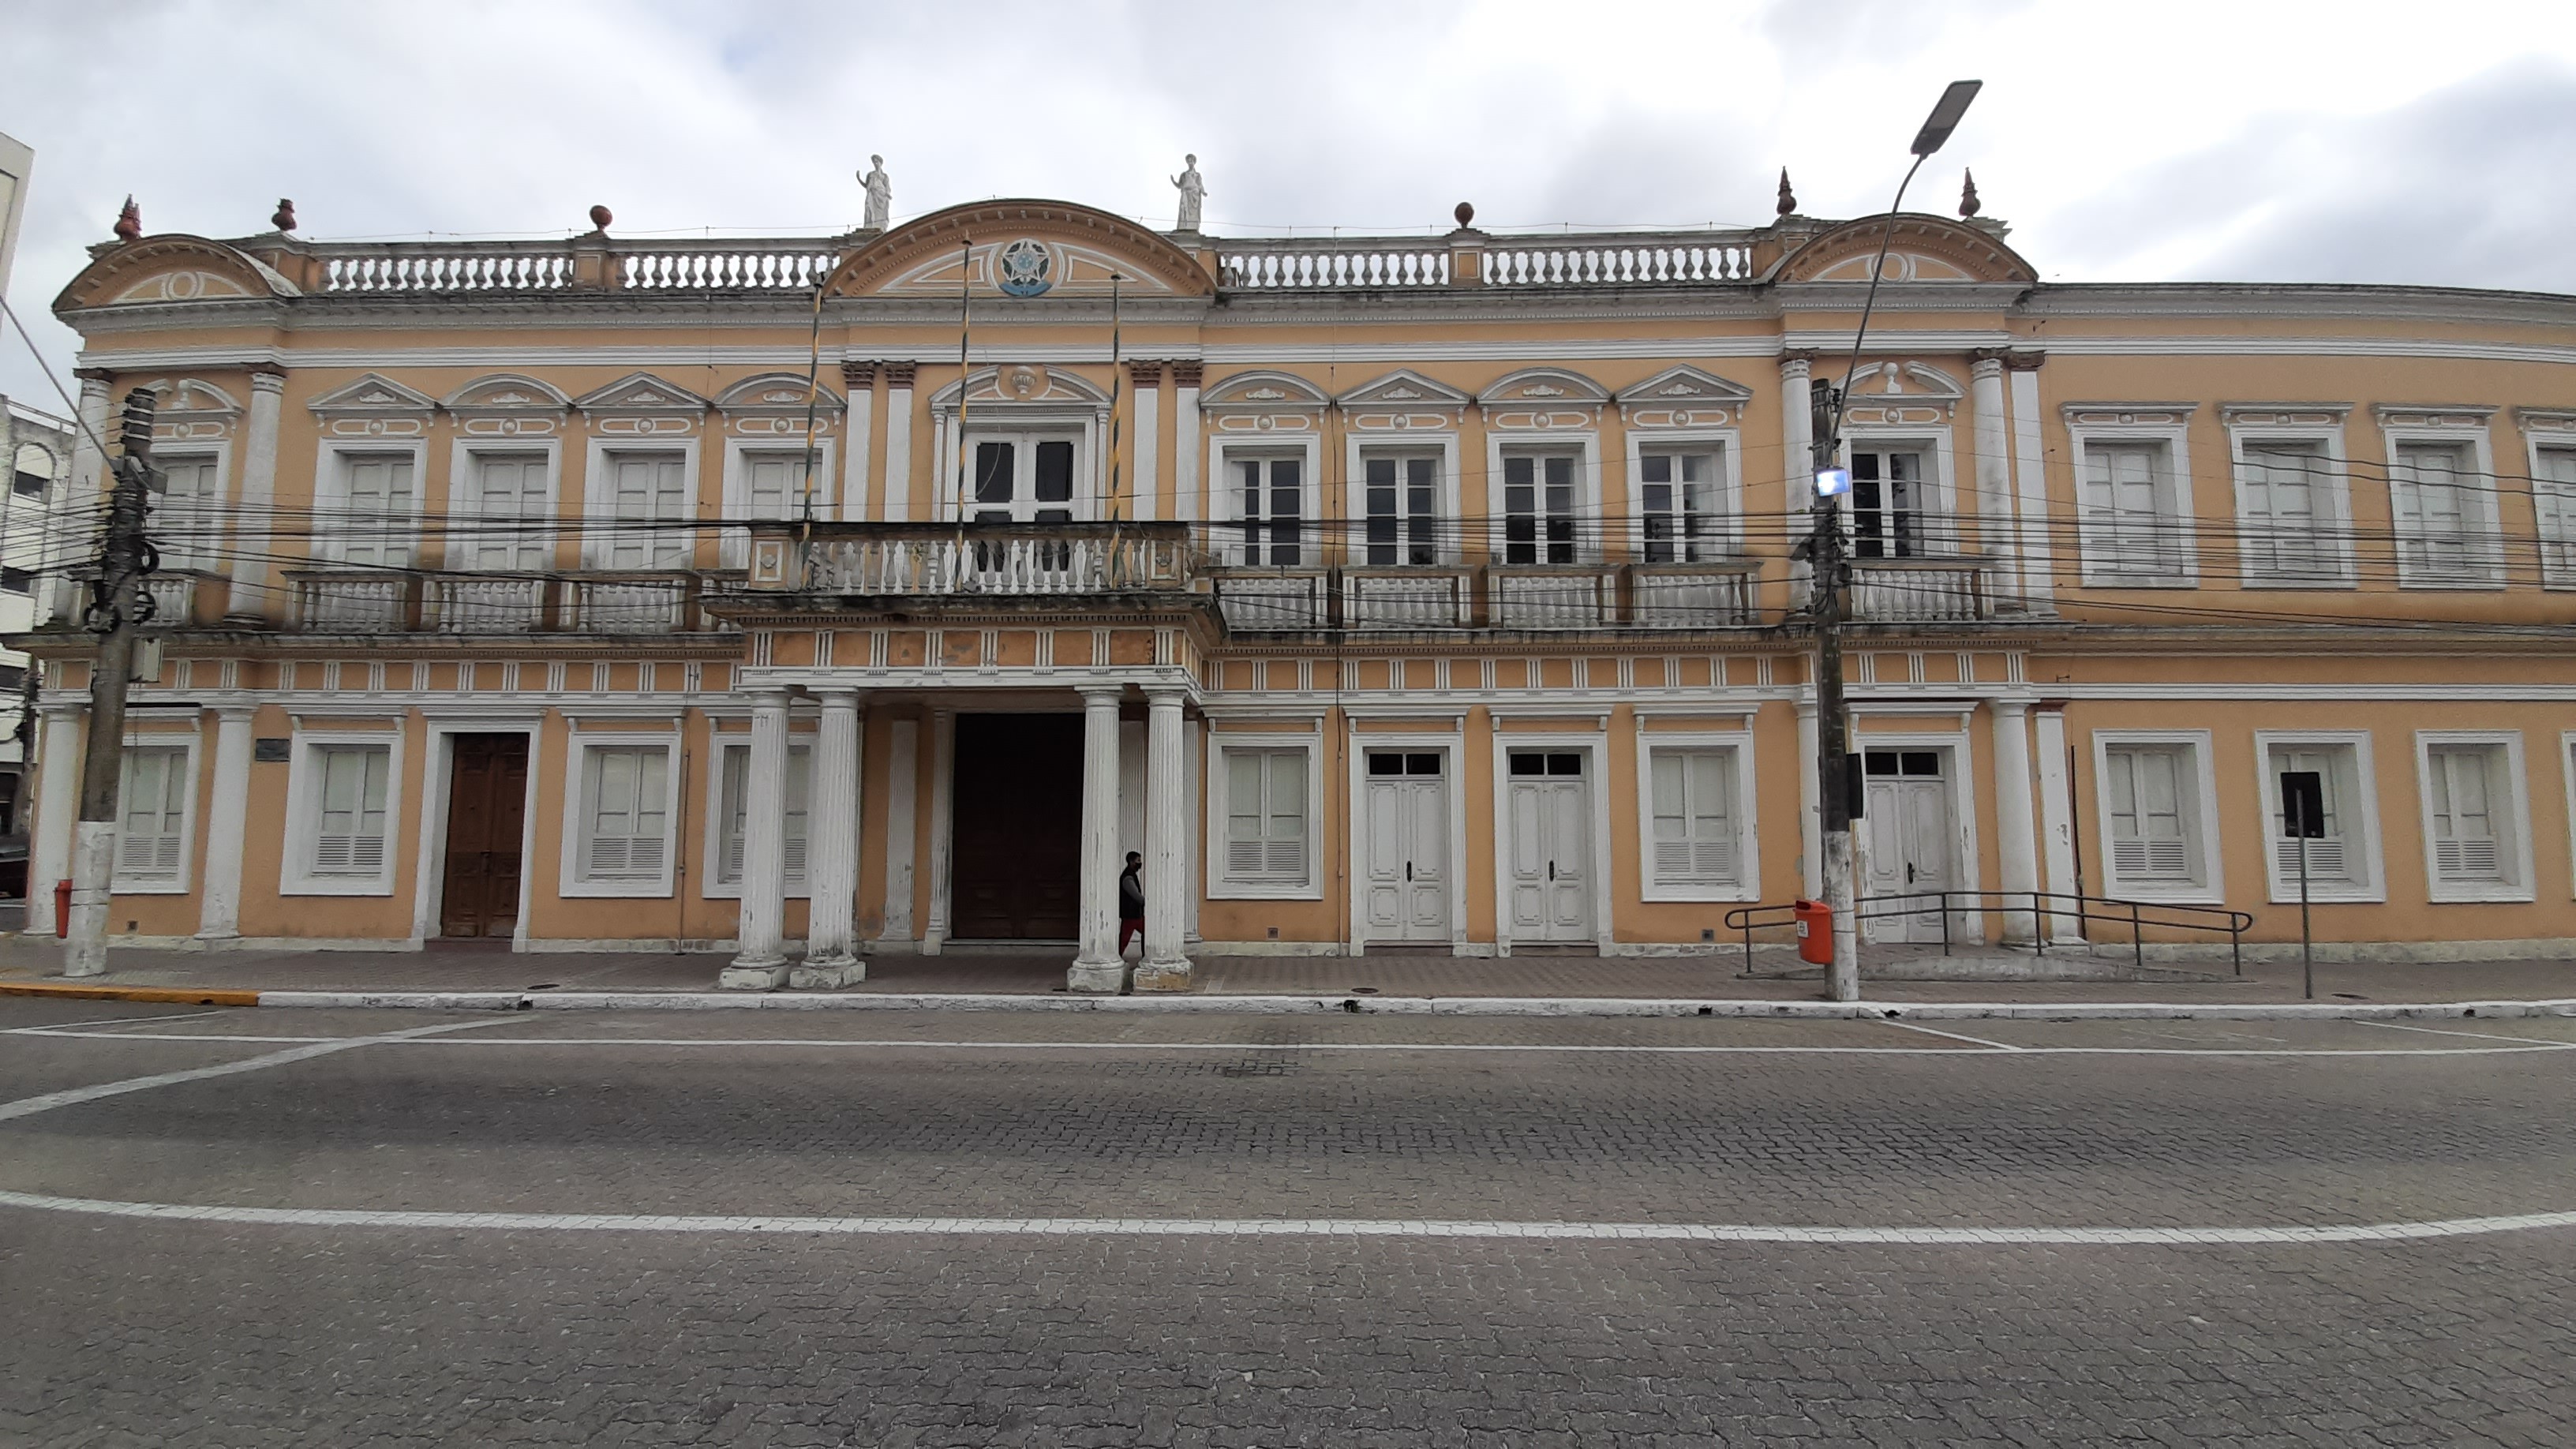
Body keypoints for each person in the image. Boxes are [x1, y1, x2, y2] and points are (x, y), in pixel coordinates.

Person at [1118, 851, 1145, 957]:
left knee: (1147, 933)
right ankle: (1118, 956)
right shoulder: (1128, 877)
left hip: (1136, 914)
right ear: (1131, 861)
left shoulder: (1131, 875)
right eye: (1138, 860)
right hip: (1131, 914)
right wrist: (1146, 901)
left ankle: (1146, 955)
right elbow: (1136, 895)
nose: (1140, 863)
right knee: (1124, 938)